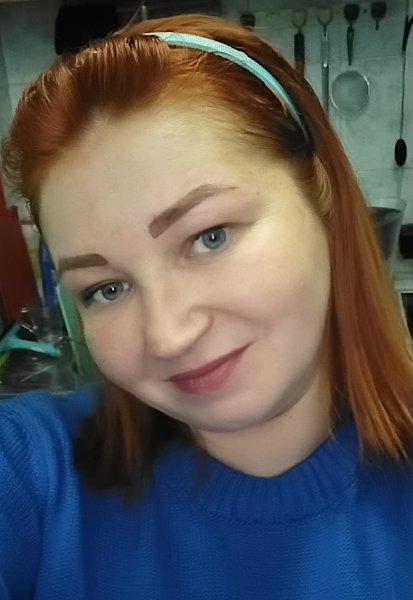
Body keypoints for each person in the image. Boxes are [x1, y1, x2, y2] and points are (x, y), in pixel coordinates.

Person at [1, 13, 413, 600]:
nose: (168, 335)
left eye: (209, 237)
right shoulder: (34, 471)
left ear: (319, 193)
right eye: (106, 288)